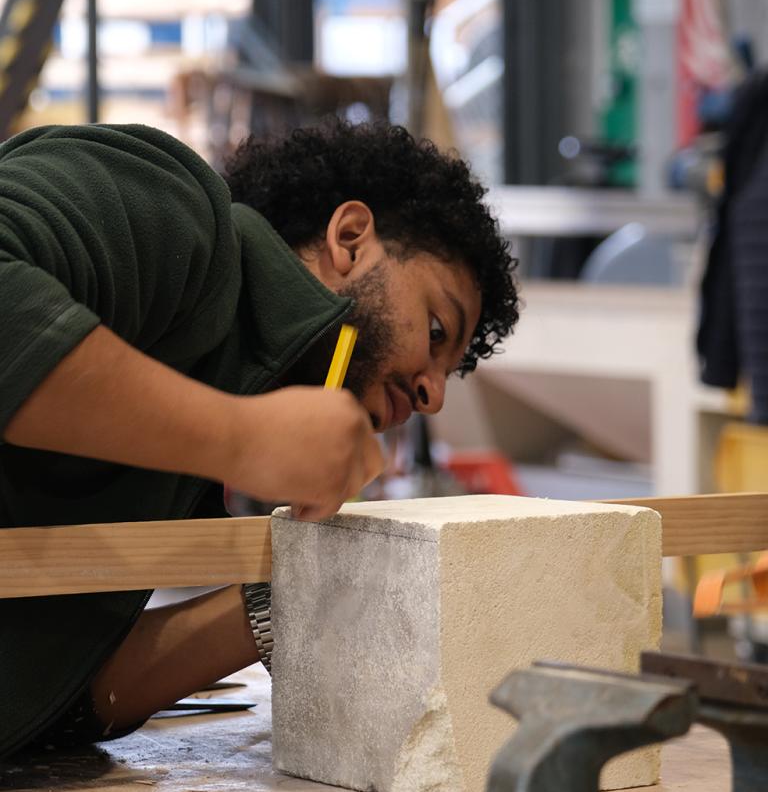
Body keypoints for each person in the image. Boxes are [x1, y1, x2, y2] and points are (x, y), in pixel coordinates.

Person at [0, 117, 519, 756]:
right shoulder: (174, 208)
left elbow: (54, 696)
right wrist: (240, 438)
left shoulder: (216, 396)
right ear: (351, 240)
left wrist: (289, 592)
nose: (432, 396)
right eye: (436, 330)